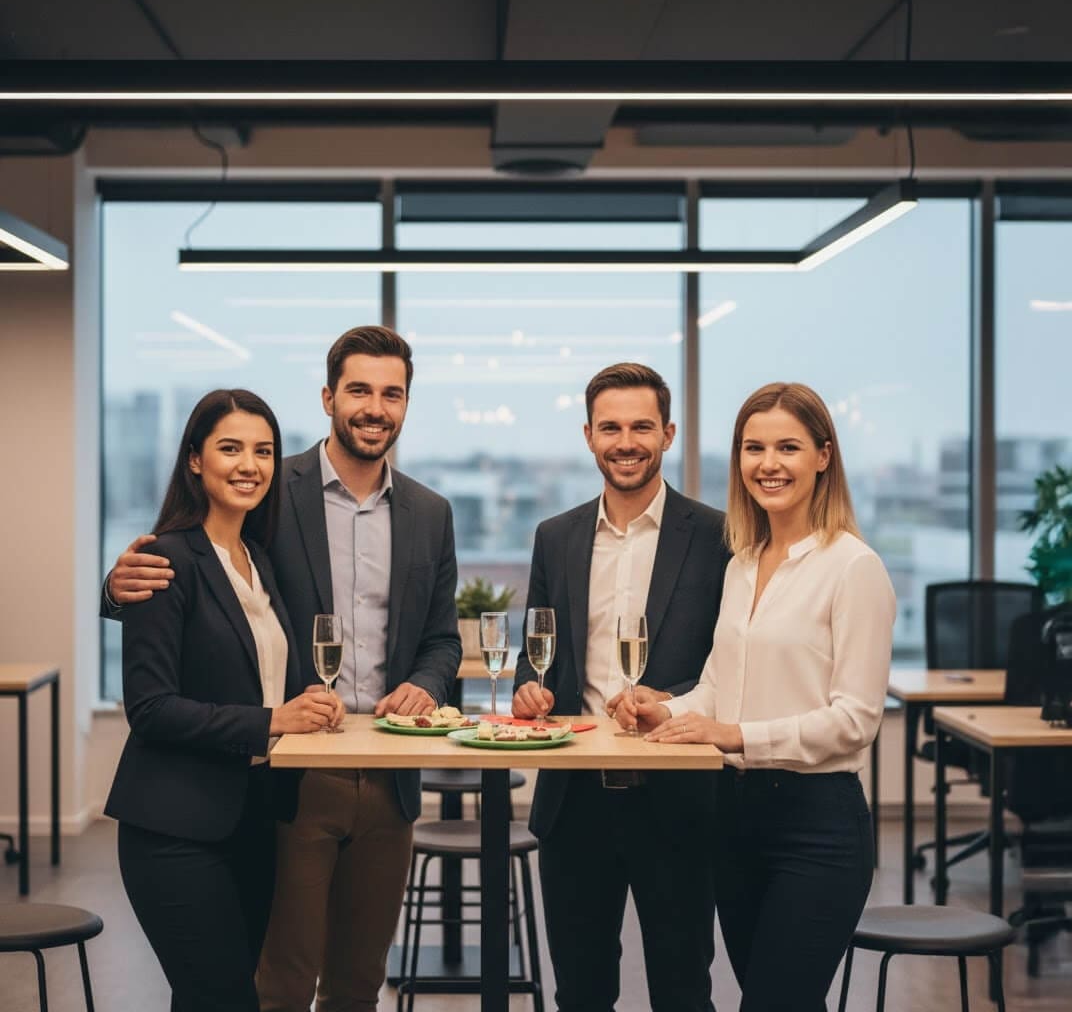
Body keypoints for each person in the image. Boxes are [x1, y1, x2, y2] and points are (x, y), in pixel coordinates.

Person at [105, 325, 463, 1012]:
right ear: (329, 397)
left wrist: (425, 682)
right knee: (279, 983)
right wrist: (115, 587)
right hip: (290, 775)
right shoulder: (272, 490)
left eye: (392, 394)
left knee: (359, 984)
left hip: (391, 778)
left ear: (407, 404)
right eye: (359, 389)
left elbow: (441, 639)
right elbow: (195, 569)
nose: (375, 407)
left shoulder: (431, 512)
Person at [617, 381, 895, 1011]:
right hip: (735, 820)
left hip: (819, 828)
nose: (768, 465)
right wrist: (666, 711)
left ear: (824, 456)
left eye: (788, 447)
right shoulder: (743, 562)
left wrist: (736, 735)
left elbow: (856, 720)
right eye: (753, 448)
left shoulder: (854, 568)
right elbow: (719, 687)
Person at [105, 389, 344, 1011]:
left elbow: (258, 676)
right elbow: (151, 709)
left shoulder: (257, 559)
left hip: (253, 818)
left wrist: (309, 702)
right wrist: (273, 721)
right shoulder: (162, 559)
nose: (250, 465)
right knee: (223, 996)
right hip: (175, 827)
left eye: (263, 451)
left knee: (219, 995)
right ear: (194, 460)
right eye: (230, 448)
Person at [508, 363, 729, 1011]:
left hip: (679, 799)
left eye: (640, 427)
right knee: (580, 992)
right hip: (575, 803)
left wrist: (668, 703)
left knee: (684, 990)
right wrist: (529, 691)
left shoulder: (718, 535)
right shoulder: (556, 537)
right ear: (588, 435)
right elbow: (535, 657)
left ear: (669, 433)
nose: (625, 441)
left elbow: (728, 662)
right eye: (610, 427)